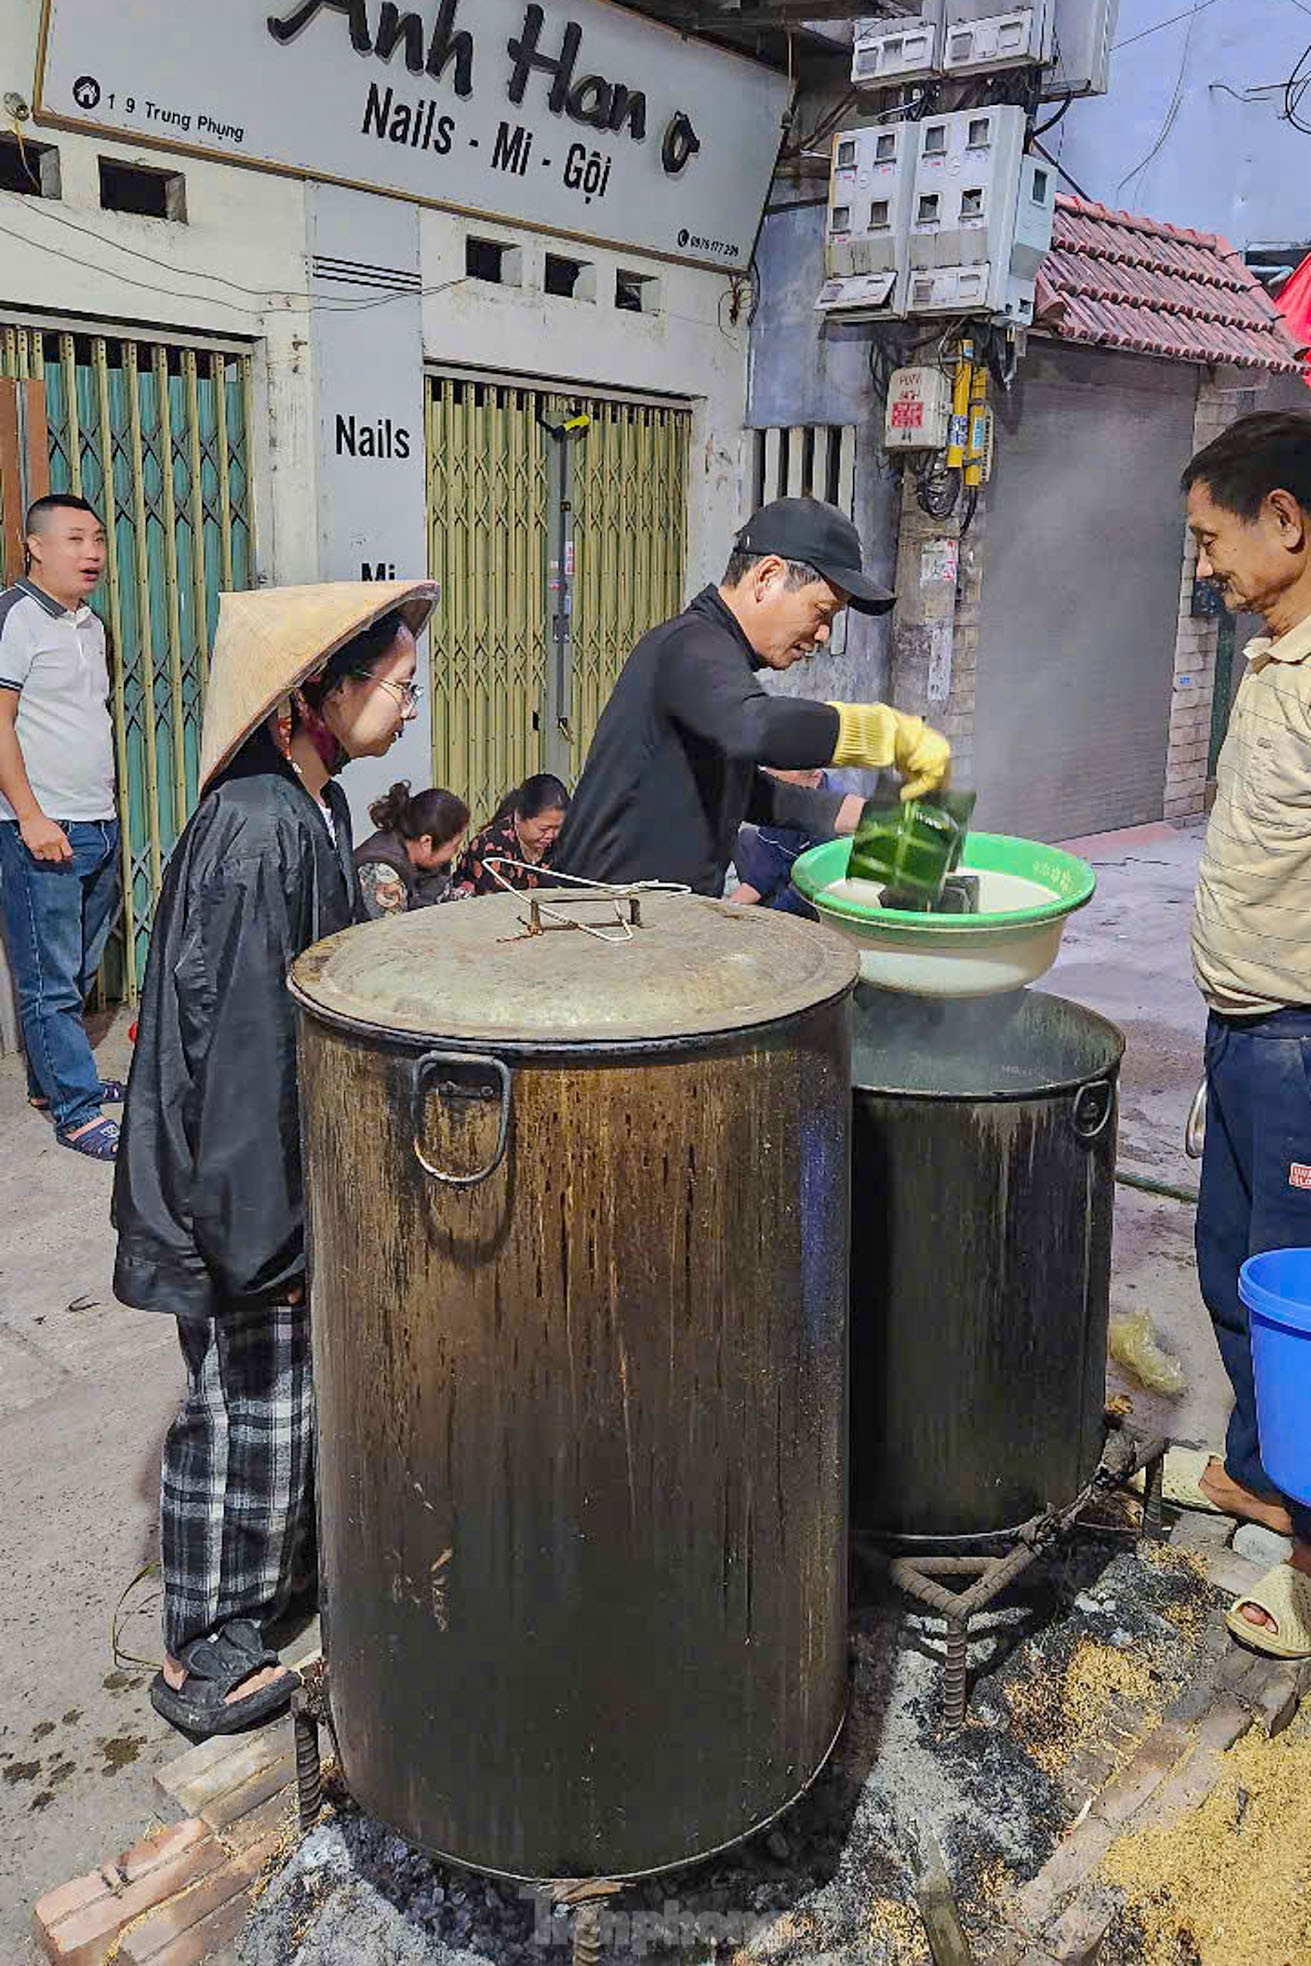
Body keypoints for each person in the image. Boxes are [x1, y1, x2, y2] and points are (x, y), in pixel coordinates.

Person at [112, 578, 437, 1737]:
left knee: (280, 1404)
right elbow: (238, 1050)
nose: (408, 707)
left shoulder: (305, 805)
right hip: (236, 1185)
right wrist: (265, 1240)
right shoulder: (259, 831)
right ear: (318, 695)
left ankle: (268, 1589)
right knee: (245, 1409)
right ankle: (206, 1655)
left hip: (259, 1177)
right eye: (396, 686)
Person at [1183, 410, 1311, 1659]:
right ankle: (1262, 1474)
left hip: (1299, 1045)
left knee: (1300, 1297)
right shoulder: (1274, 658)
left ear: (1288, 520)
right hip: (1242, 1030)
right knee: (1230, 1267)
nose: (1205, 566)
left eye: (1214, 538)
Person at [552, 497, 950, 895]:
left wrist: (873, 821)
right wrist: (884, 734)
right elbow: (753, 727)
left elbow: (745, 792)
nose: (824, 634)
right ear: (767, 577)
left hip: (659, 926)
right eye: (822, 611)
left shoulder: (714, 658)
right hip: (604, 927)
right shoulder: (691, 645)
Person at [0, 493, 124, 1159]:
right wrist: (29, 814)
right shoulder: (16, 617)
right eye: (75, 539)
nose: (93, 552)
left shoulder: (90, 623)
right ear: (36, 546)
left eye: (98, 539)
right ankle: (74, 1113)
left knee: (75, 966)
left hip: (95, 822)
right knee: (48, 976)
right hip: (41, 828)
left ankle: (55, 1082)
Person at [728, 767, 837, 919]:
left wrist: (771, 919)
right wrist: (728, 909)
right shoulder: (775, 798)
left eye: (785, 788)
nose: (778, 793)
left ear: (815, 778)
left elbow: (805, 892)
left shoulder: (835, 821)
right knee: (745, 838)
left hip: (813, 896)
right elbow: (763, 867)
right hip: (786, 873)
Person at [354, 779, 469, 916]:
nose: (456, 852)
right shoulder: (380, 870)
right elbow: (390, 932)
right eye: (454, 846)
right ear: (426, 842)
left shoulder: (431, 863)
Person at [455, 772, 570, 895]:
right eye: (543, 829)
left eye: (557, 827)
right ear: (519, 817)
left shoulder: (559, 842)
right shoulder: (492, 847)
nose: (551, 835)